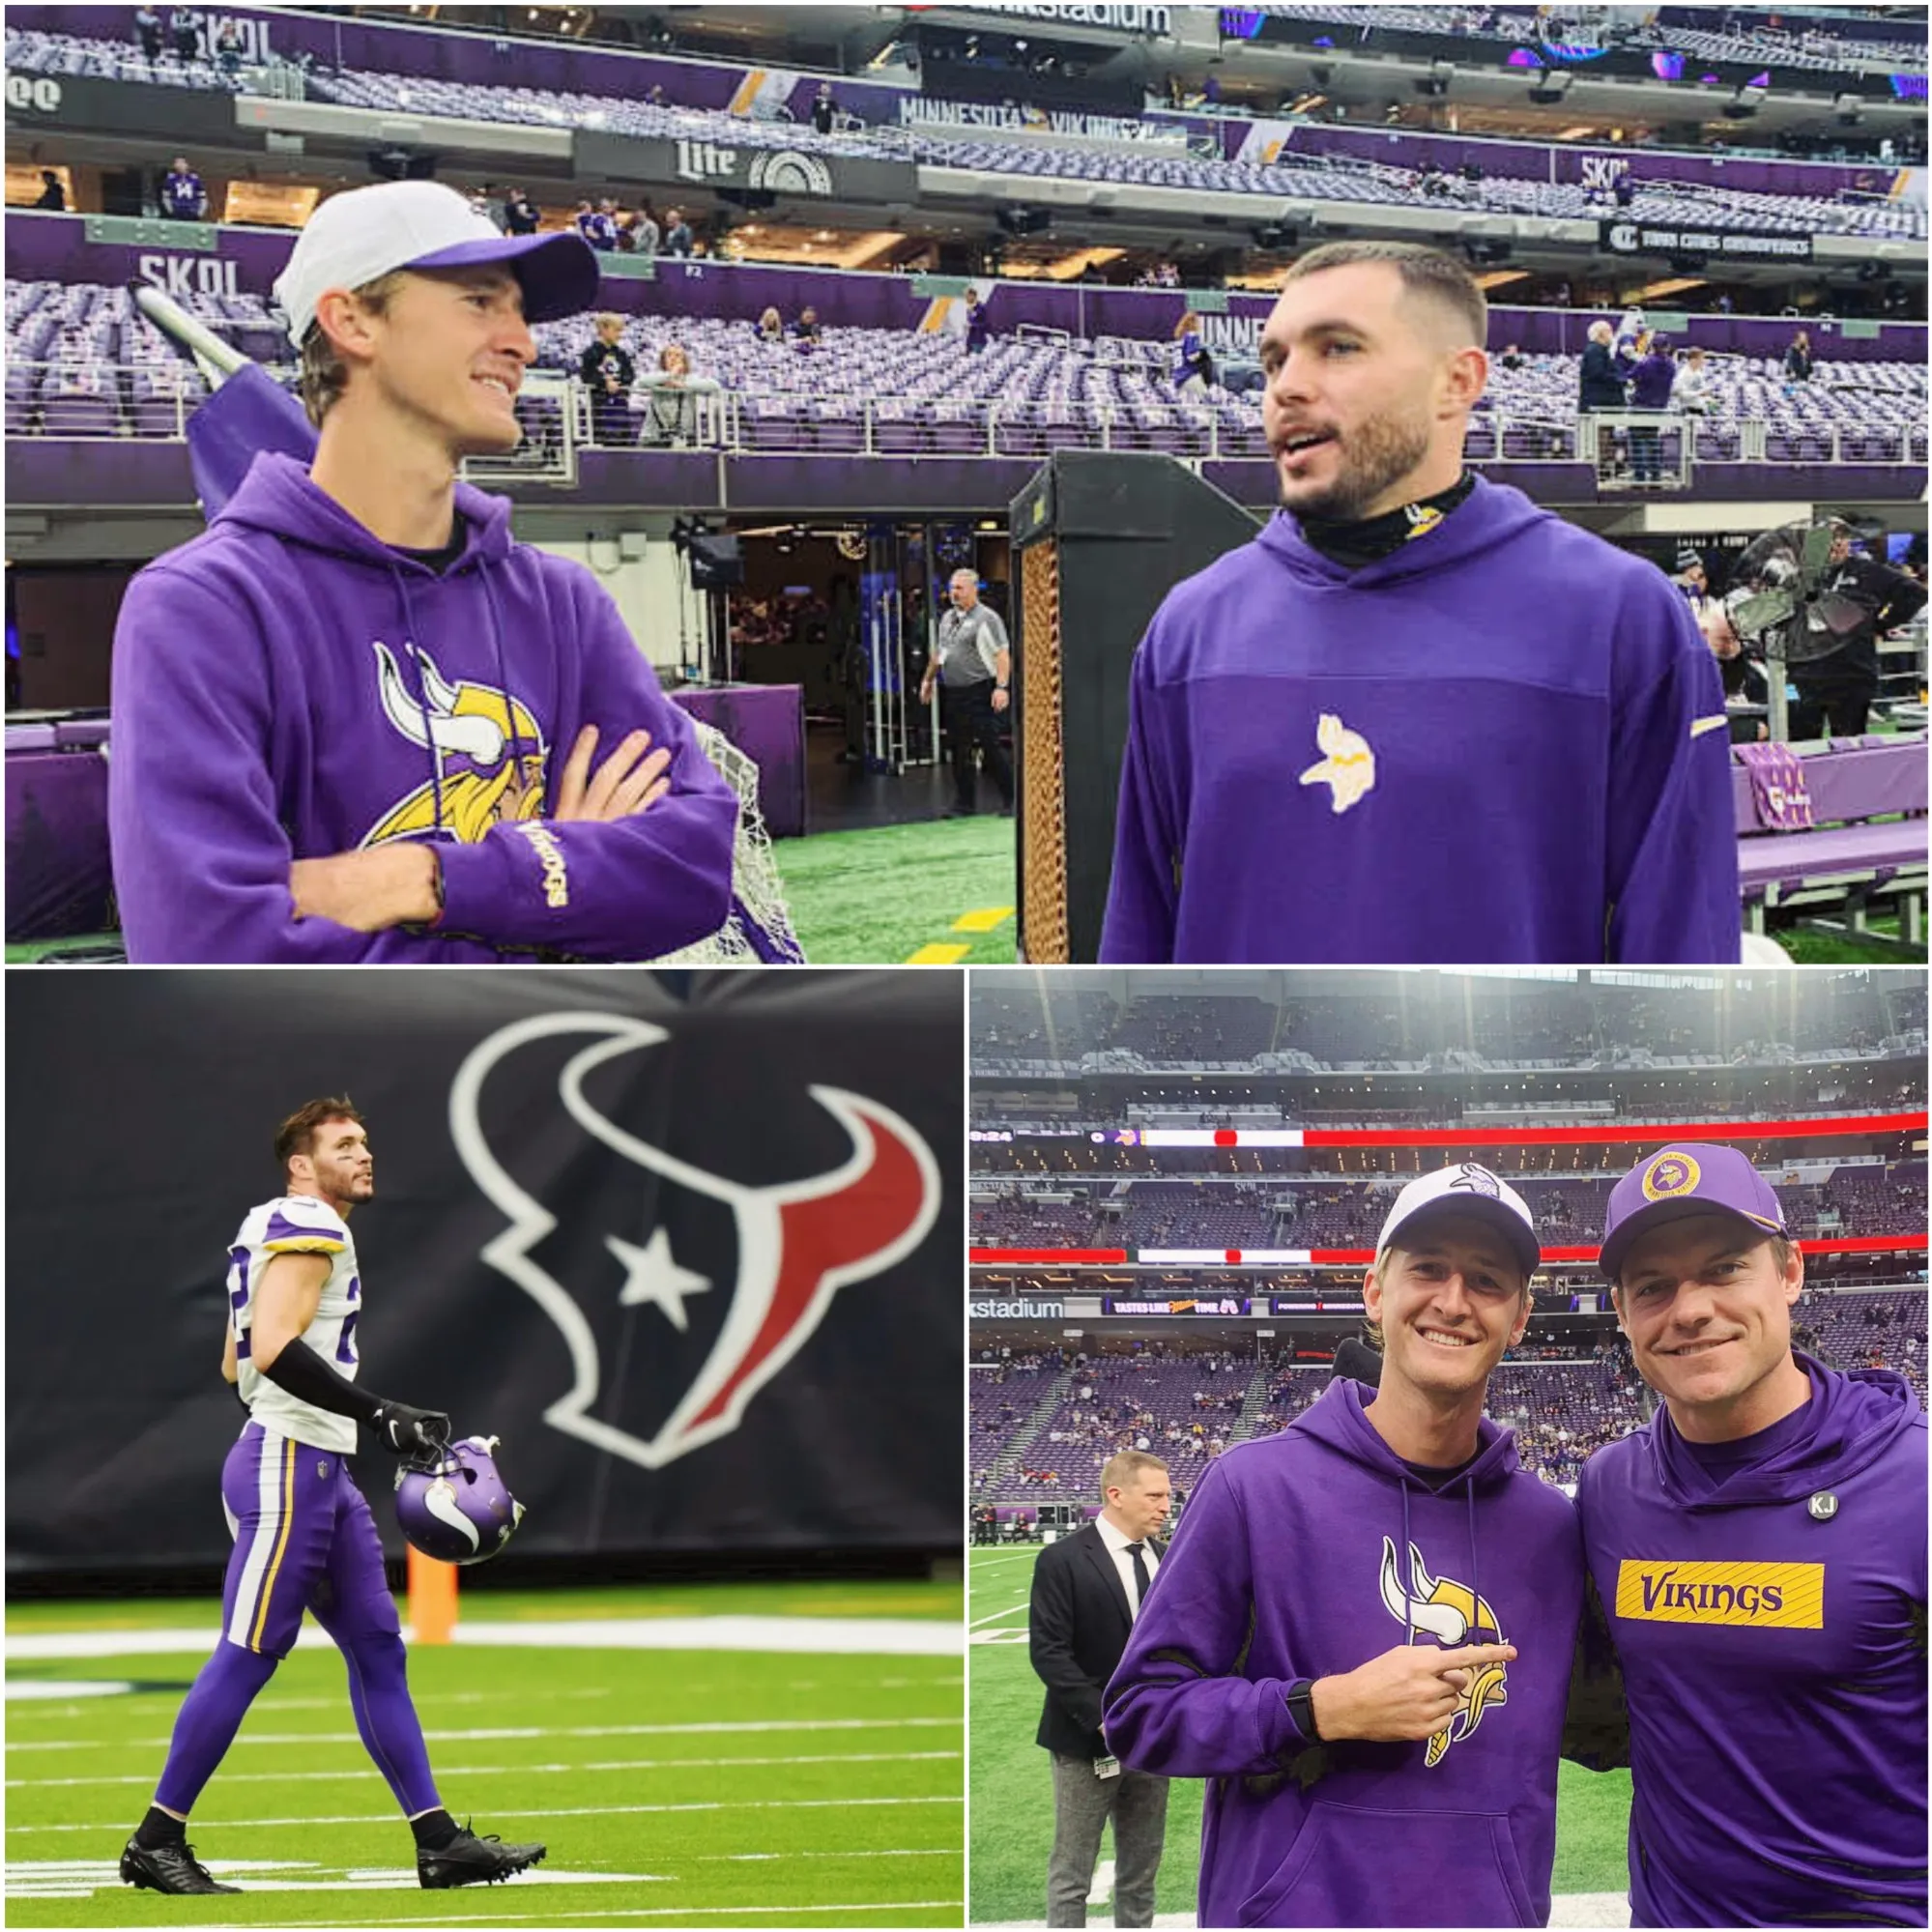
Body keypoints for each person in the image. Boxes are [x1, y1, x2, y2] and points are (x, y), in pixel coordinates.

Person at [108, 180, 736, 962]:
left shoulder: (559, 602)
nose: (525, 344)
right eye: (480, 301)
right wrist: (556, 902)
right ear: (351, 321)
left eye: (520, 314)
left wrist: (425, 877)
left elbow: (693, 869)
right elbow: (209, 956)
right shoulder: (204, 607)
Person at [1100, 243, 1737, 965]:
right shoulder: (1189, 630)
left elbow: (1684, 951)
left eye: (1336, 348)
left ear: (1456, 382)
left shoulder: (1620, 618)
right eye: (1275, 360)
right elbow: (1137, 943)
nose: (1284, 387)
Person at [1106, 1165, 1580, 1928]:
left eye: (1487, 1280)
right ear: (1374, 1292)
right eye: (1426, 1268)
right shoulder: (1252, 1487)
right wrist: (1320, 1706)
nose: (1452, 1301)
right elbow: (1139, 1713)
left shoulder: (1551, 1525)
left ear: (1520, 1315)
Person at [119, 1098, 545, 1896]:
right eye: (344, 1144)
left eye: (366, 1142)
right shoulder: (310, 1220)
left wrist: (341, 1421)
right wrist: (377, 1411)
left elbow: (234, 1361)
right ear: (300, 1163)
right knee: (248, 1651)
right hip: (288, 1465)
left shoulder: (270, 1225)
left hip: (314, 1466)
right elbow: (274, 1349)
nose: (364, 1154)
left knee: (379, 1647)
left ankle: (438, 1840)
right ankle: (155, 1838)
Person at [1575, 1143, 1926, 1927]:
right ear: (1624, 1312)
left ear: (1790, 1272)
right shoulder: (1607, 1489)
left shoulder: (1916, 1483)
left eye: (1724, 1267)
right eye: (1652, 1286)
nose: (1689, 1308)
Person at [1028, 1452, 1173, 1928]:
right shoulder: (1062, 1559)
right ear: (1116, 1495)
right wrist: (1104, 1718)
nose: (1165, 1505)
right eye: (1154, 1495)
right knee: (1073, 1872)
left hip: (1151, 1739)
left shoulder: (1169, 1557)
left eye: (1167, 1495)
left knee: (1141, 1869)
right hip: (1087, 1741)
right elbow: (1050, 1652)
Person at [1789, 523, 1927, 738]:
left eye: (1840, 539)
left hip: (1852, 674)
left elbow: (1915, 594)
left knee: (1850, 745)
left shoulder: (1867, 571)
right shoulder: (1801, 576)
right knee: (1801, 742)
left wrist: (1881, 625)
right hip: (1806, 677)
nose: (1835, 545)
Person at [918, 568, 1014, 819]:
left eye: (960, 588)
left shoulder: (987, 618)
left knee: (991, 747)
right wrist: (928, 680)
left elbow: (1002, 655)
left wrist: (1002, 687)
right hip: (955, 692)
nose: (954, 593)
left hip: (980, 690)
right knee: (958, 749)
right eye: (952, 588)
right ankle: (964, 804)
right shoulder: (948, 618)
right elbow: (939, 653)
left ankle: (1013, 800)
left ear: (973, 590)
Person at [637, 341, 719, 447]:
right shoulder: (657, 377)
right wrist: (670, 375)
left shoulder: (690, 380)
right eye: (669, 355)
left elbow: (714, 386)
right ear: (663, 360)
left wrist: (683, 385)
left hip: (683, 438)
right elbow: (642, 382)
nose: (673, 358)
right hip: (653, 438)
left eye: (677, 355)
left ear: (684, 361)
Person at [1626, 329, 1677, 485]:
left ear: (1652, 346)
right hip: (1658, 408)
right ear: (1668, 347)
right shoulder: (1671, 365)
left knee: (1637, 442)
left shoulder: (1646, 362)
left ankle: (1639, 476)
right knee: (1652, 441)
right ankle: (1655, 475)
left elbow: (1631, 377)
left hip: (1640, 406)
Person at [578, 310, 636, 447]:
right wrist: (604, 382)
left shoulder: (621, 354)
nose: (619, 335)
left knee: (622, 439)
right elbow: (586, 376)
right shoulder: (591, 352)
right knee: (601, 438)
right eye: (616, 330)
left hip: (620, 404)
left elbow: (630, 374)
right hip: (599, 405)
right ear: (603, 329)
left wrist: (619, 383)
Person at [1171, 311, 1212, 398]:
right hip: (1189, 376)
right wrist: (1202, 354)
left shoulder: (1179, 340)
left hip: (1178, 378)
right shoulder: (1191, 335)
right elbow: (1191, 357)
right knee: (1207, 405)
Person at [160, 157, 208, 222]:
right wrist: (171, 211)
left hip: (192, 210)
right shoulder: (171, 179)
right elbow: (166, 196)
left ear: (186, 165)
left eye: (182, 163)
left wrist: (199, 213)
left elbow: (203, 197)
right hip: (177, 210)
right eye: (177, 163)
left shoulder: (194, 179)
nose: (179, 165)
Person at [134, 4, 164, 71]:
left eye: (151, 7)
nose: (149, 8)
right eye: (147, 6)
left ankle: (153, 61)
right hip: (144, 39)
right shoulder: (140, 15)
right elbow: (140, 29)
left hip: (152, 41)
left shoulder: (156, 19)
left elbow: (159, 32)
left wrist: (159, 39)